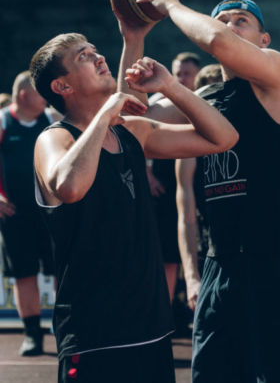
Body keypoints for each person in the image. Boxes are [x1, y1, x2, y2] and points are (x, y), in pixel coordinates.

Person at [120, 0, 280, 382]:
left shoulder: (278, 75)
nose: (229, 26)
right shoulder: (204, 98)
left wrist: (170, 5)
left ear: (263, 40)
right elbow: (128, 121)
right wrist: (133, 38)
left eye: (240, 21)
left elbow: (216, 41)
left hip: (274, 260)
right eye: (224, 18)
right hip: (221, 262)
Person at [30, 28, 237, 383]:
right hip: (94, 334)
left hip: (151, 326)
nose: (98, 57)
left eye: (95, 49)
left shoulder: (132, 132)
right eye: (83, 56)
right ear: (62, 87)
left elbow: (223, 137)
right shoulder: (53, 139)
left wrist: (170, 86)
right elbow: (71, 186)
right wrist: (105, 113)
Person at [0, 71, 60, 356]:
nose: (46, 98)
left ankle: (66, 331)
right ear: (24, 95)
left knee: (63, 271)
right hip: (14, 214)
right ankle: (32, 336)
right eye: (40, 92)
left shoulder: (52, 119)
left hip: (50, 212)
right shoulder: (2, 122)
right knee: (25, 275)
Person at [146, 51, 202, 305]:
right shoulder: (158, 102)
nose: (181, 78)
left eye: (186, 74)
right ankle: (165, 313)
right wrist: (148, 176)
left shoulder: (203, 101)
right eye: (177, 73)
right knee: (167, 251)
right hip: (164, 182)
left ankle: (192, 306)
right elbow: (136, 132)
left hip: (198, 177)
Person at [175, 64, 223, 302]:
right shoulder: (190, 142)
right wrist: (192, 276)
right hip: (210, 243)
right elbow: (186, 216)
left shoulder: (248, 130)